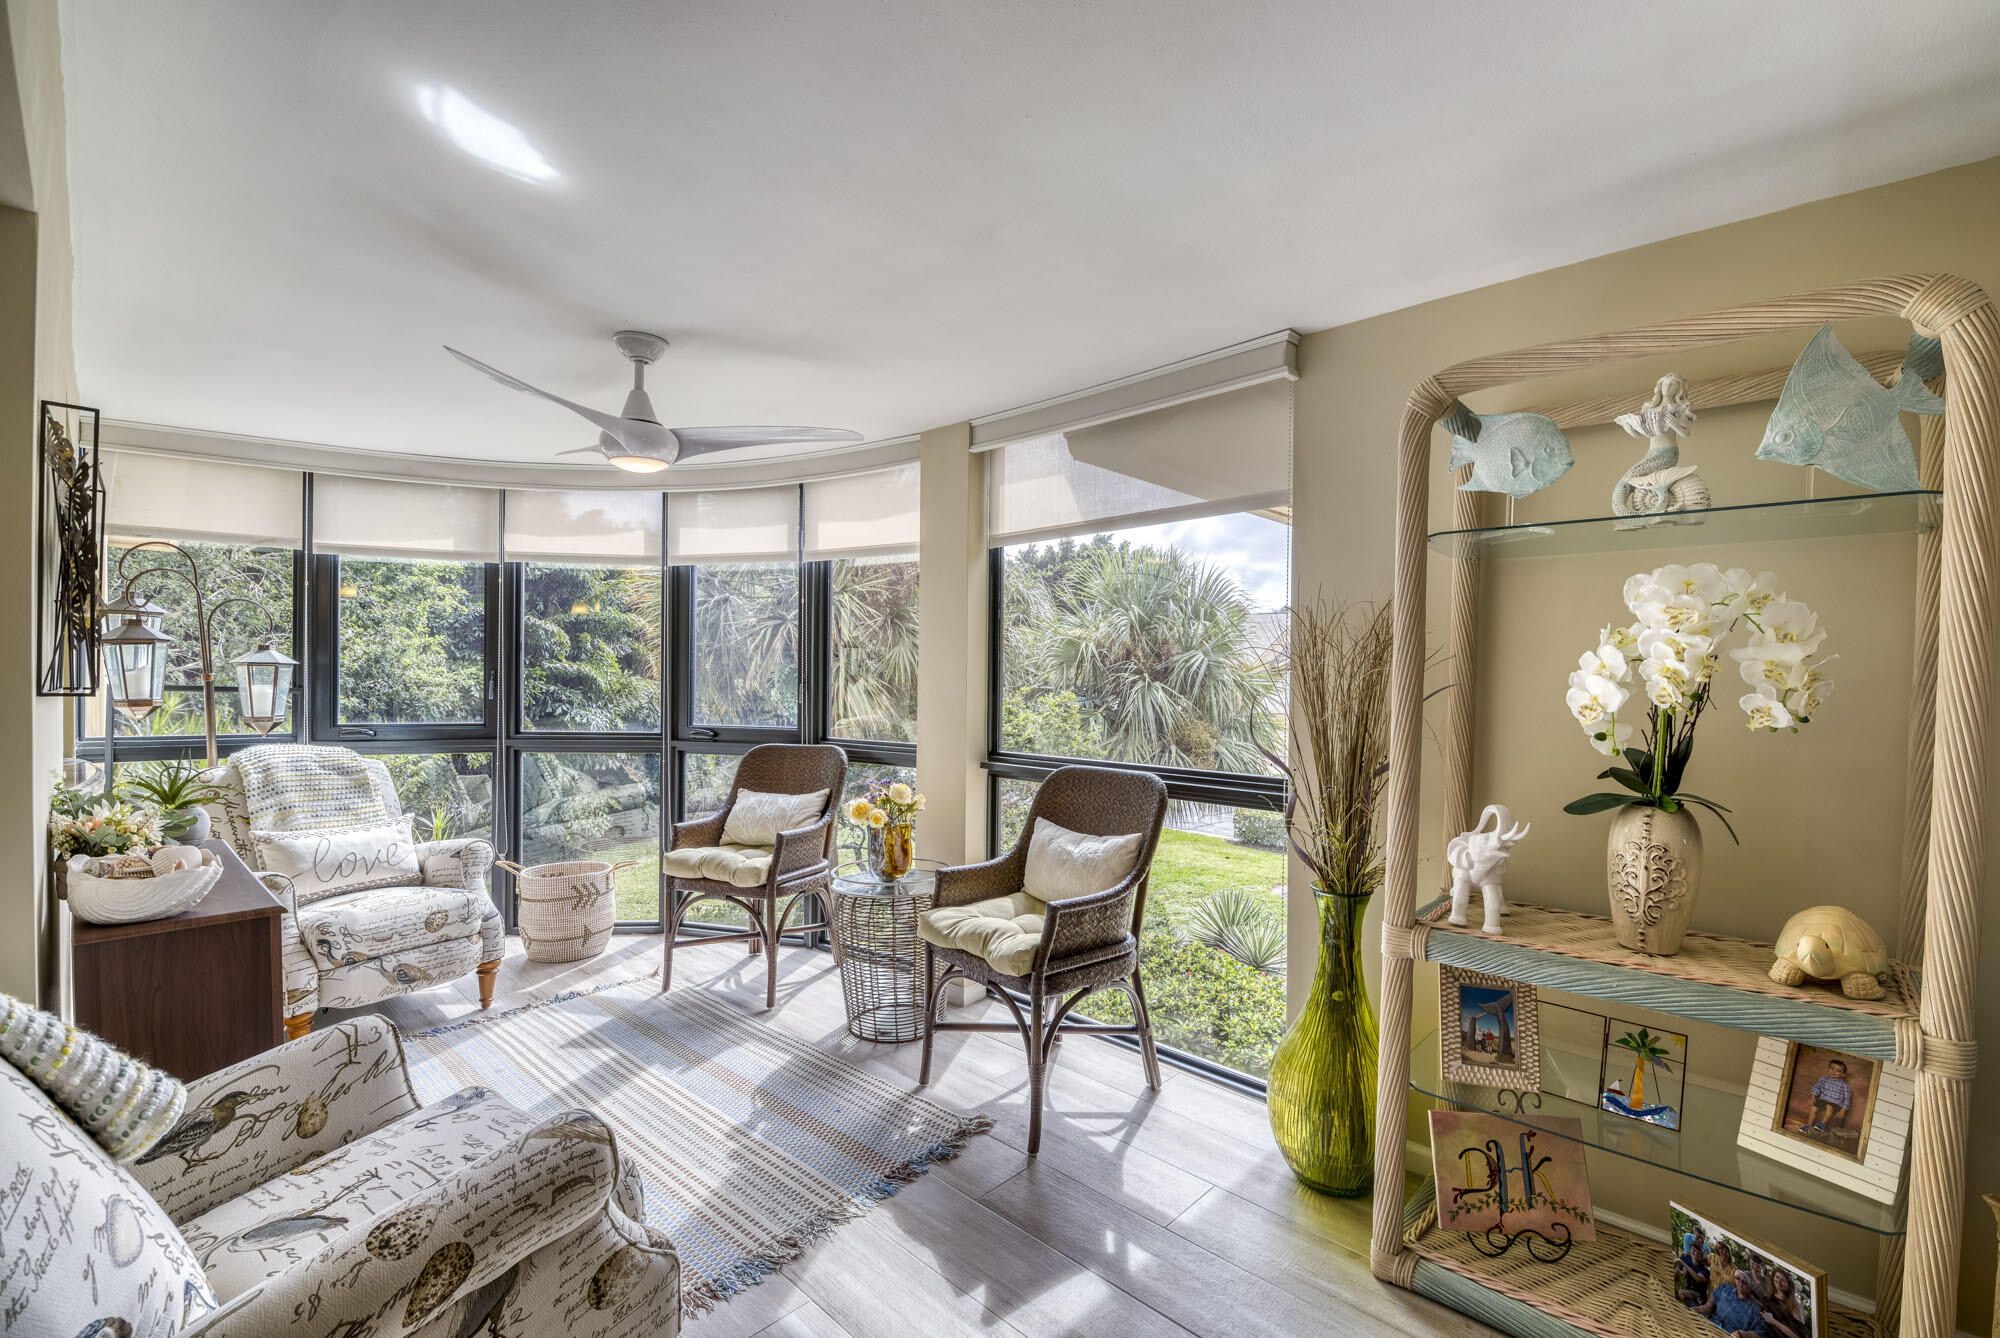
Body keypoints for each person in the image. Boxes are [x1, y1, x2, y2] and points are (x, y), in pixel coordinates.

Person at [1803, 1058, 1853, 1134]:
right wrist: (1813, 1095)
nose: (1834, 1071)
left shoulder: (1844, 1086)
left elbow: (1847, 1099)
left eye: (1838, 1071)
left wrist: (1843, 1110)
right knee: (1813, 1107)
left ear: (1843, 1074)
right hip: (1823, 1100)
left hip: (1835, 1103)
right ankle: (1808, 1126)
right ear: (1828, 1068)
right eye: (1832, 1068)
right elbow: (1817, 1087)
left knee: (1829, 1107)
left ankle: (1821, 1124)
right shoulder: (1823, 1079)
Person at [1676, 1228, 1712, 1306]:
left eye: (1701, 1239)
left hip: (1700, 1298)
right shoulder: (1688, 1238)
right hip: (1688, 1289)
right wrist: (1681, 1270)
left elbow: (1699, 1277)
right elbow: (1688, 1254)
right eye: (1697, 1238)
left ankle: (1696, 1296)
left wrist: (1683, 1262)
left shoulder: (1707, 1251)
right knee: (1681, 1292)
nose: (1700, 1240)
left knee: (1683, 1292)